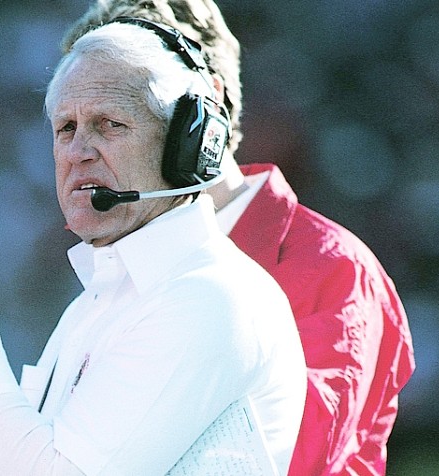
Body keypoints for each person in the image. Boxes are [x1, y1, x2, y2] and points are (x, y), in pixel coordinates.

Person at [0, 19, 308, 475]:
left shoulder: (209, 296)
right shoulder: (100, 299)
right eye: (66, 129)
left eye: (109, 124)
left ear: (186, 145)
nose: (78, 151)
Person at [61, 1, 416, 475]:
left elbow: (294, 461)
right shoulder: (118, 272)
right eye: (70, 122)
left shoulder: (333, 267)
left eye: (116, 115)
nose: (85, 149)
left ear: (201, 109)